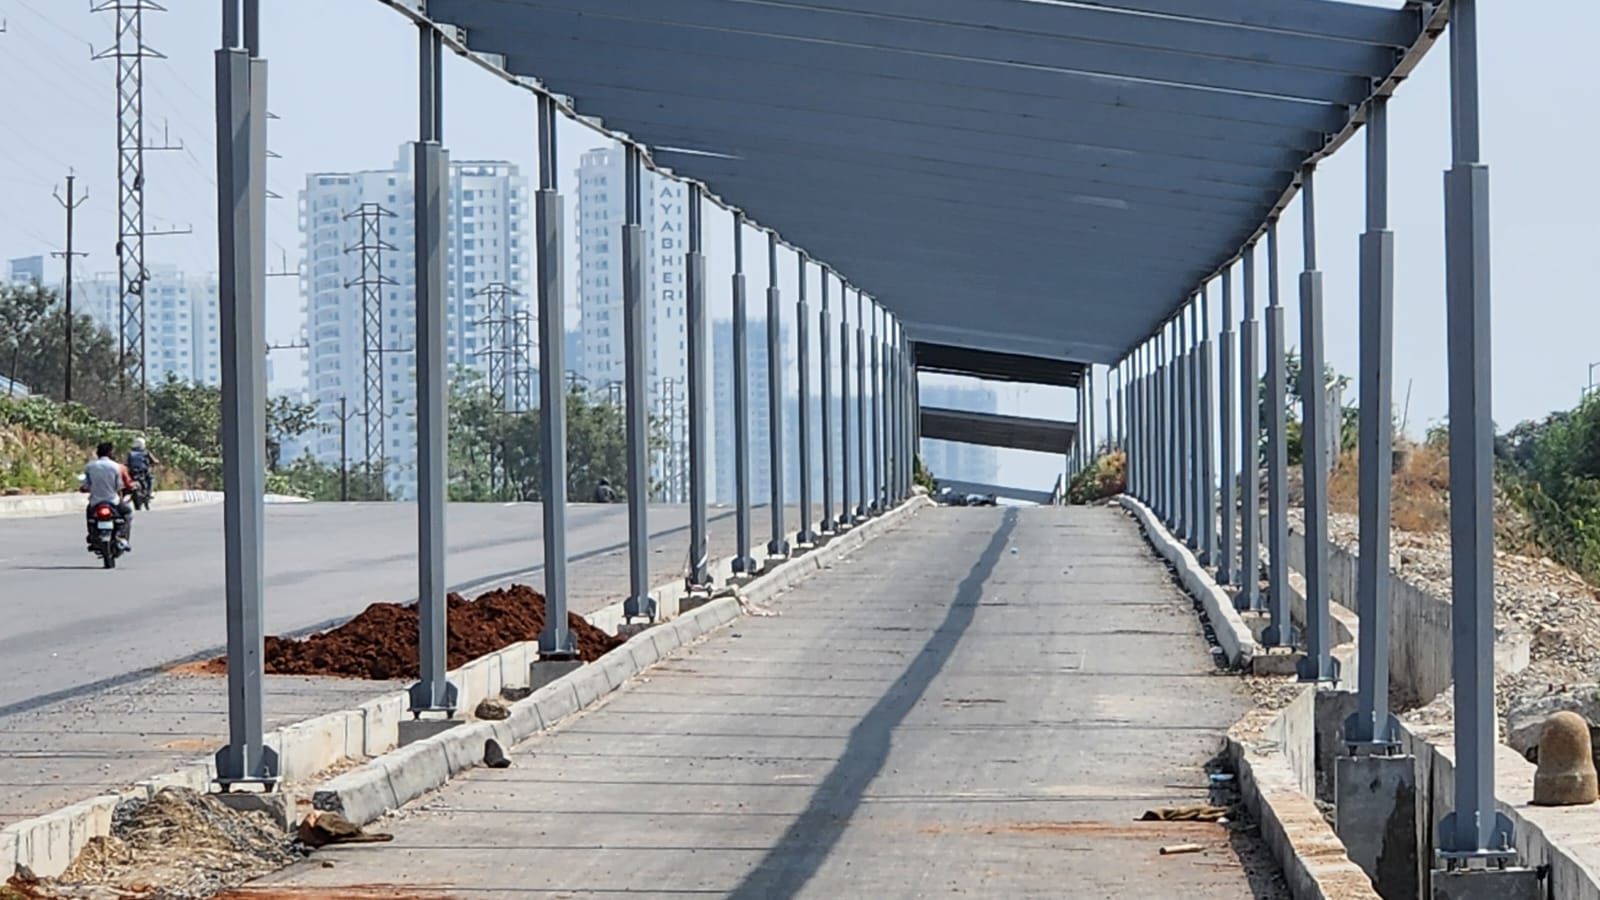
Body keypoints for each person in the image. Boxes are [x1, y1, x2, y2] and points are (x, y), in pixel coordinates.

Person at [84, 441, 136, 550]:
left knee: (90, 515)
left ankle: (92, 535)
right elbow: (120, 485)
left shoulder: (90, 466)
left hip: (95, 502)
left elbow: (86, 485)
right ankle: (122, 537)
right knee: (128, 512)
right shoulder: (118, 467)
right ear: (110, 453)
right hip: (113, 501)